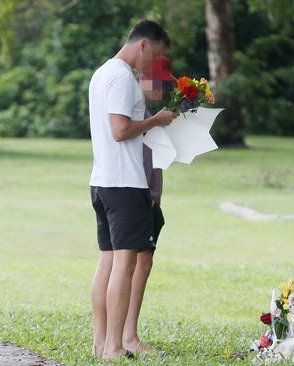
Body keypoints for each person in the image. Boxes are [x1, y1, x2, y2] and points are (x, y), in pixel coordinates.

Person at [88, 19, 178, 360]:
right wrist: (158, 119)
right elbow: (121, 129)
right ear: (143, 44)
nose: (153, 64)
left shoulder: (101, 73)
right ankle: (113, 345)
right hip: (125, 185)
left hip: (101, 182)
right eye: (154, 54)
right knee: (123, 267)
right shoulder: (123, 77)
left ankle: (100, 343)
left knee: (107, 265)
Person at [121, 56, 173, 355]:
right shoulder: (137, 113)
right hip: (136, 195)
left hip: (151, 196)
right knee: (130, 264)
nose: (158, 88)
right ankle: (128, 336)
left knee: (142, 263)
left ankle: (127, 333)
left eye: (162, 83)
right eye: (154, 81)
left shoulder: (155, 113)